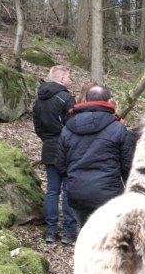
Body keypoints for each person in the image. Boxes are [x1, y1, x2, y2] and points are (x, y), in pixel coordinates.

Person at [55, 85, 135, 228]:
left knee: (85, 232)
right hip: (108, 194)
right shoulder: (117, 127)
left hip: (77, 193)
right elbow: (127, 165)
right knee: (107, 238)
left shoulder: (68, 127)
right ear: (109, 101)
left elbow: (60, 166)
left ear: (86, 99)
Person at [33, 65, 77, 244]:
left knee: (52, 190)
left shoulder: (38, 101)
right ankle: (68, 232)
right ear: (60, 79)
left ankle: (51, 231)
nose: (70, 81)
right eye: (68, 77)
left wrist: (48, 139)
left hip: (49, 147)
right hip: (66, 148)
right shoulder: (66, 98)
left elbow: (38, 127)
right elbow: (74, 125)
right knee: (67, 190)